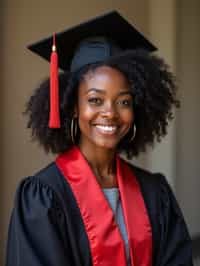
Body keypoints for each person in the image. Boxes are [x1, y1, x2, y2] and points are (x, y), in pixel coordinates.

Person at [6, 10, 193, 266]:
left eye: (123, 101)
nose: (110, 113)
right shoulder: (44, 196)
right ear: (73, 106)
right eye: (95, 100)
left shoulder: (154, 192)